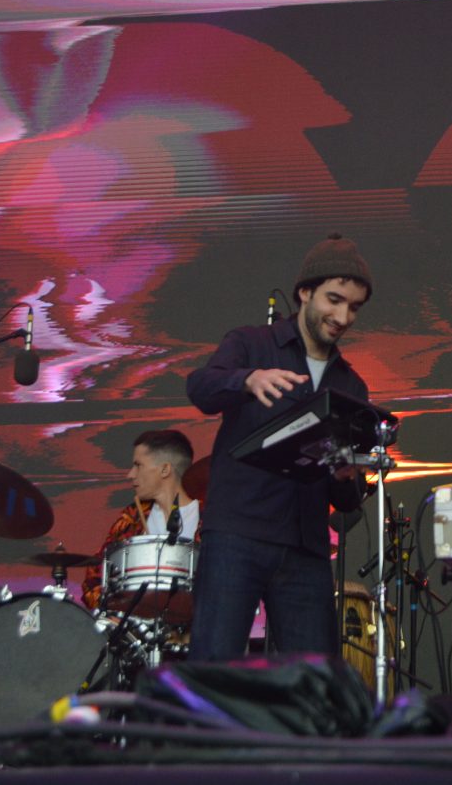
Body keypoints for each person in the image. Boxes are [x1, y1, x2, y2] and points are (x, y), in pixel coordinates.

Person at [186, 232, 372, 660]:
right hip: (238, 533)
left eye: (354, 307)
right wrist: (247, 380)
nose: (343, 316)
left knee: (314, 677)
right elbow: (200, 388)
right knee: (214, 666)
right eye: (334, 300)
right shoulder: (251, 344)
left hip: (306, 547)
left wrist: (347, 477)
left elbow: (347, 501)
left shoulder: (351, 385)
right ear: (304, 292)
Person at [81, 429, 200, 611]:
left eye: (138, 465)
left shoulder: (208, 518)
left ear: (165, 469)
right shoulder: (133, 517)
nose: (131, 474)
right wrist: (110, 610)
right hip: (136, 624)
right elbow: (95, 577)